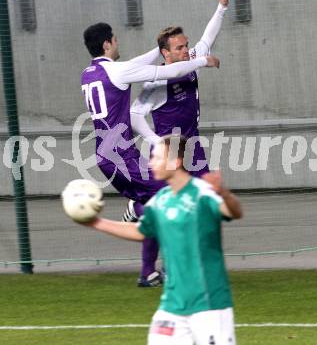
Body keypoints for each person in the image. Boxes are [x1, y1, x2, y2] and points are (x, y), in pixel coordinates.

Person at [81, 23, 220, 286]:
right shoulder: (119, 71)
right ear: (107, 45)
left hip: (109, 156)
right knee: (173, 200)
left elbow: (136, 62)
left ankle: (149, 272)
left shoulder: (89, 73)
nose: (118, 43)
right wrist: (203, 61)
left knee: (160, 207)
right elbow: (172, 70)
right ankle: (172, 263)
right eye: (115, 39)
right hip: (122, 157)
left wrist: (159, 49)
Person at [77, 134, 243, 345]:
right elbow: (141, 232)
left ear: (175, 162)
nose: (150, 162)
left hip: (209, 304)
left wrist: (225, 193)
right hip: (172, 306)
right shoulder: (160, 201)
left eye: (156, 157)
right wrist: (96, 223)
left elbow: (233, 212)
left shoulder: (203, 193)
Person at [130, 0, 230, 177]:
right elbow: (134, 114)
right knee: (163, 203)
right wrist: (156, 142)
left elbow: (207, 38)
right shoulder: (156, 82)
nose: (186, 50)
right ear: (165, 53)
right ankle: (135, 208)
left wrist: (221, 7)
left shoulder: (192, 60)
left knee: (204, 197)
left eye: (186, 45)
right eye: (179, 48)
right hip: (169, 153)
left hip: (193, 146)